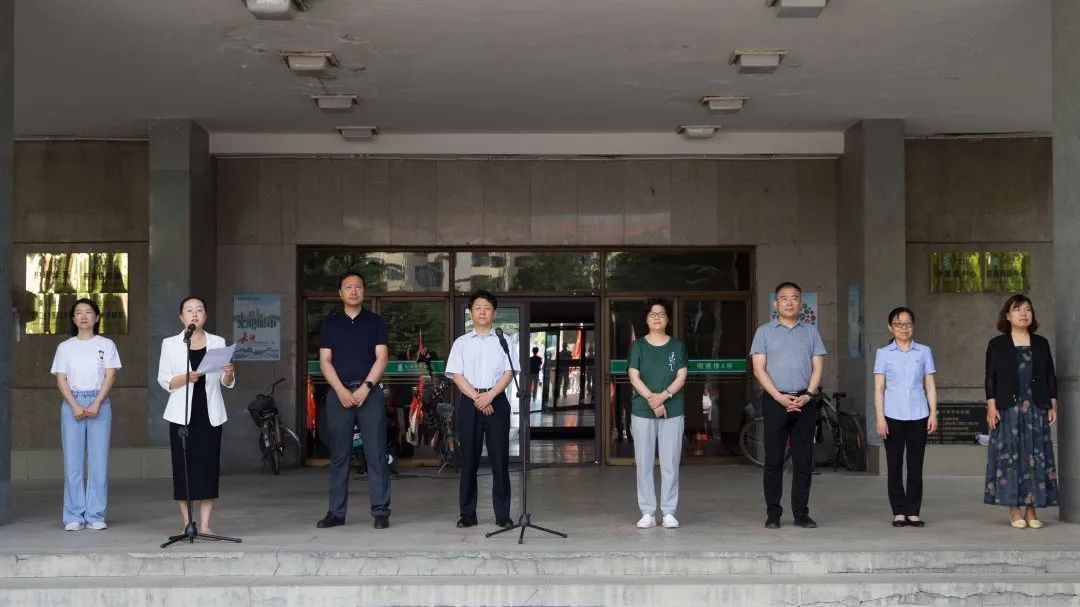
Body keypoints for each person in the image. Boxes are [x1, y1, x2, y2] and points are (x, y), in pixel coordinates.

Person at [316, 271, 391, 529]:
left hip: (370, 394)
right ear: (340, 293)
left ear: (364, 291)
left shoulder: (375, 322)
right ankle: (336, 513)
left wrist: (366, 387)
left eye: (358, 286)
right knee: (340, 455)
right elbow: (325, 361)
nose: (353, 291)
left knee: (376, 454)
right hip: (339, 395)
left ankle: (381, 511)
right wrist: (340, 390)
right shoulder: (331, 324)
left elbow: (382, 357)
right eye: (348, 287)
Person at [750, 282, 827, 529]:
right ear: (776, 303)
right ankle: (773, 514)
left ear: (800, 303)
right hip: (775, 401)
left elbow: (818, 367)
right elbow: (758, 369)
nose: (789, 302)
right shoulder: (764, 332)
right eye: (784, 298)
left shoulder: (811, 332)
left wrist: (808, 395)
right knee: (773, 460)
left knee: (803, 461)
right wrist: (778, 397)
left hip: (805, 402)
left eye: (794, 298)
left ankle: (801, 513)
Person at [157, 296, 235, 534]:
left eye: (199, 310)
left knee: (208, 469)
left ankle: (205, 525)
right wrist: (186, 378)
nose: (194, 314)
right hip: (181, 415)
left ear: (205, 316)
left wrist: (229, 372)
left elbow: (226, 382)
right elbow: (164, 380)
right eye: (189, 310)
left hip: (210, 414)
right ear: (181, 317)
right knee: (184, 469)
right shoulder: (171, 343)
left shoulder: (218, 342)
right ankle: (187, 523)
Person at [984, 294, 1059, 529]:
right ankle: (1014, 509)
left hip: (1036, 407)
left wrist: (1052, 404)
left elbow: (1050, 375)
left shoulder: (1041, 343)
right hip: (1008, 409)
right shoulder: (997, 344)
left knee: (1036, 456)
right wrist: (991, 406)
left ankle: (1031, 509)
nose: (1023, 314)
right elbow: (990, 377)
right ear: (1007, 316)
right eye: (1017, 309)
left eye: (1027, 309)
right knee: (1010, 457)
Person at [446, 290, 516, 529]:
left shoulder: (505, 340)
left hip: (497, 400)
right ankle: (467, 514)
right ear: (471, 312)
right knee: (469, 460)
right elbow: (457, 375)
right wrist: (479, 398)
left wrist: (490, 396)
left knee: (500, 459)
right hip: (470, 401)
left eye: (487, 308)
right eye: (478, 307)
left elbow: (509, 372)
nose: (482, 312)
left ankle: (503, 515)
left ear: (494, 313)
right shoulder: (461, 343)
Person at [51, 298, 122, 531]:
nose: (83, 316)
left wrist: (97, 402)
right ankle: (73, 515)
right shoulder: (65, 347)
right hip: (72, 401)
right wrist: (73, 405)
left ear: (97, 317)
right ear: (73, 319)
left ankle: (95, 515)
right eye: (78, 312)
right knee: (72, 462)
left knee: (98, 462)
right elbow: (61, 379)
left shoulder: (106, 344)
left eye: (88, 312)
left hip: (99, 402)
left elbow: (110, 375)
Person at [873, 307, 938, 528]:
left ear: (913, 326)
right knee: (894, 465)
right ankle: (899, 511)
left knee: (916, 465)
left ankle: (913, 511)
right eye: (899, 324)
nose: (904, 328)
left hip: (919, 414)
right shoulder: (884, 353)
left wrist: (933, 412)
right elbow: (879, 388)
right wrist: (880, 418)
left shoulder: (924, 351)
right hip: (892, 415)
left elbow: (929, 385)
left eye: (908, 323)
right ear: (890, 327)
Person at [627, 298, 688, 529]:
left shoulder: (677, 346)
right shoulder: (638, 346)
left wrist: (664, 396)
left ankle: (669, 512)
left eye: (661, 314)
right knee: (643, 463)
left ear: (667, 319)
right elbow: (634, 377)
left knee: (670, 463)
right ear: (646, 319)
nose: (657, 318)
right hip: (642, 411)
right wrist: (653, 401)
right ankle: (648, 512)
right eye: (652, 314)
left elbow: (681, 376)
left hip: (673, 411)